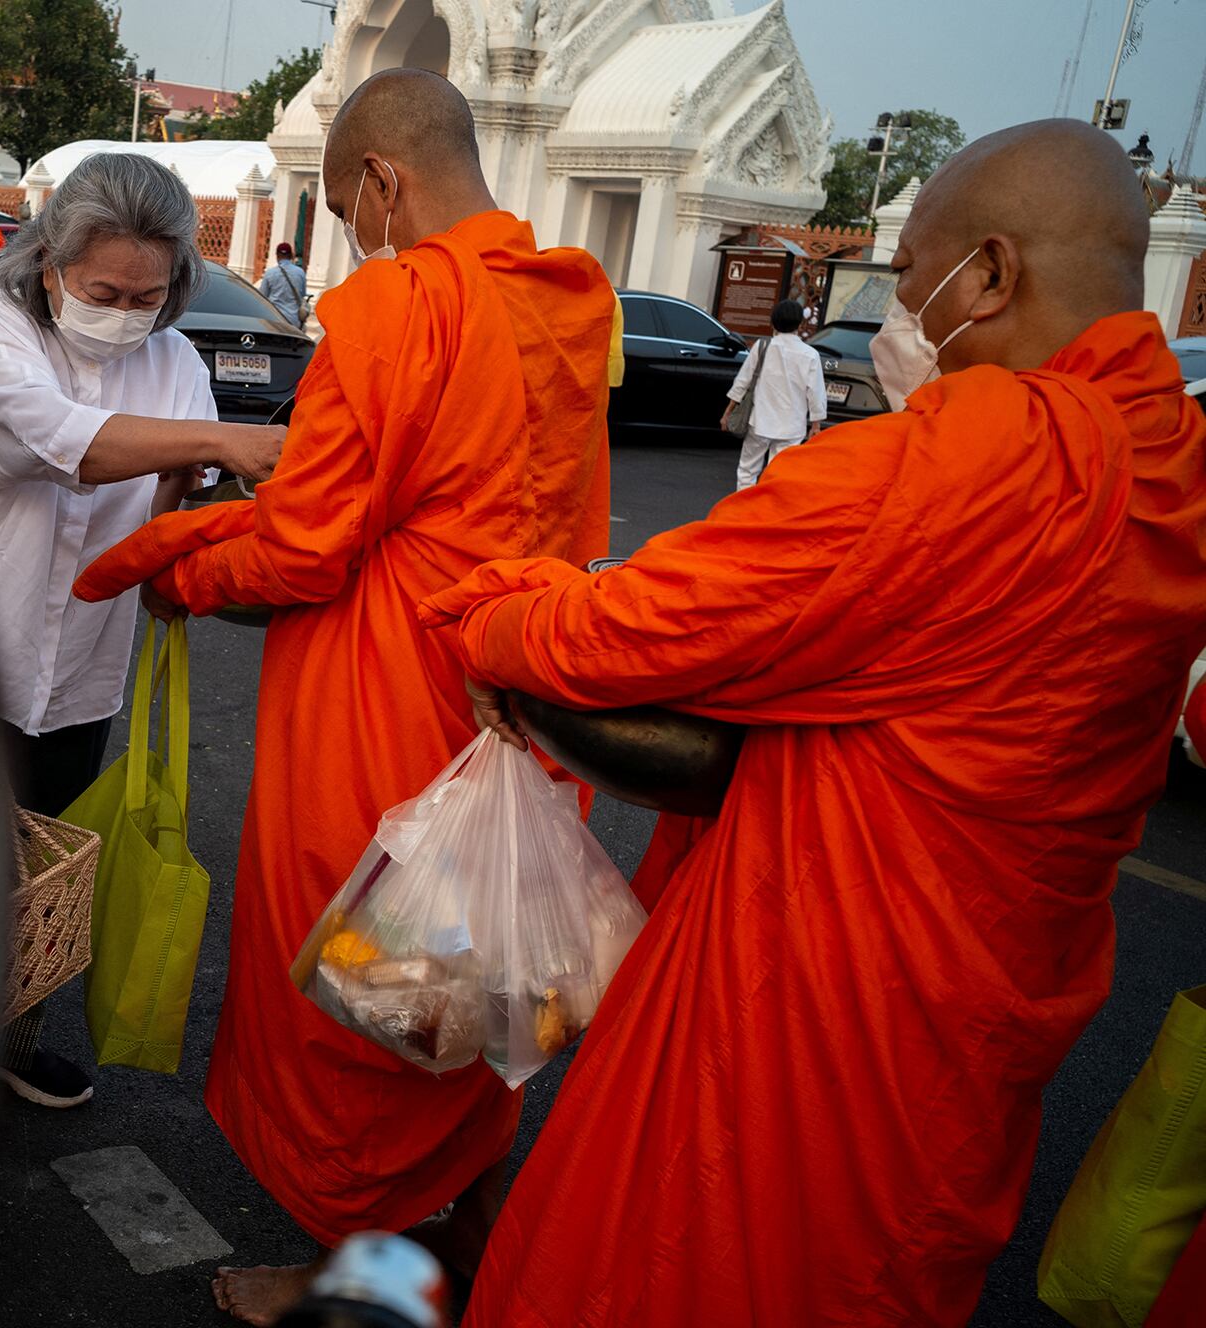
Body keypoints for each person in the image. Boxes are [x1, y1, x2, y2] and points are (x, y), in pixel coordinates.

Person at [419, 119, 1206, 1327]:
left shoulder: (989, 459)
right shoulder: (1172, 455)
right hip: (969, 1034)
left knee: (676, 1270)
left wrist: (483, 618)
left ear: (988, 275)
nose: (906, 314)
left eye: (912, 285)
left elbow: (635, 626)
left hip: (808, 1019)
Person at [71, 68, 616, 1324]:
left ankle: (349, 1270)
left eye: (342, 206)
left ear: (380, 183)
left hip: (384, 696)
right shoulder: (571, 303)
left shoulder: (397, 302)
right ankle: (474, 1234)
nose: (352, 234)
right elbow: (576, 520)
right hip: (512, 697)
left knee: (360, 991)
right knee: (476, 982)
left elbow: (306, 546)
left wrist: (171, 564)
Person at [0, 151, 282, 817]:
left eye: (147, 298)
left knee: (55, 881)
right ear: (51, 270)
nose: (125, 314)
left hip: (85, 677)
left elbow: (179, 504)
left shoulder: (175, 360)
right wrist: (221, 439)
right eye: (104, 295)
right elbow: (66, 439)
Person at [720, 297, 826, 490]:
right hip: (792, 425)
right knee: (779, 472)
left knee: (747, 470)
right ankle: (768, 511)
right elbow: (816, 393)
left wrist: (728, 412)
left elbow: (742, 382)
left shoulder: (761, 347)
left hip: (760, 420)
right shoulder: (810, 354)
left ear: (774, 321)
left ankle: (742, 509)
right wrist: (816, 425)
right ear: (800, 323)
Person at [257, 241, 307, 326]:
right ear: (291, 256)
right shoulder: (300, 272)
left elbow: (263, 296)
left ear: (277, 256)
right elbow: (302, 294)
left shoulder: (270, 273)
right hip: (293, 321)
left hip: (274, 319)